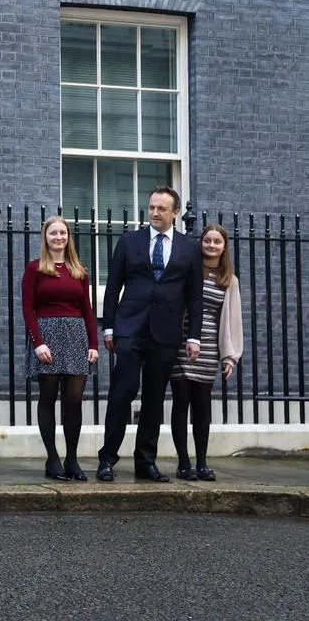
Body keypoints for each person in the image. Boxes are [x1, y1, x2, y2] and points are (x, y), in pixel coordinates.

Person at [98, 186, 203, 483]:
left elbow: (195, 296)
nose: (154, 213)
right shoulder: (129, 241)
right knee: (123, 392)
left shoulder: (189, 247)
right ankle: (107, 459)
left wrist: (194, 337)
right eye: (152, 207)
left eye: (161, 208)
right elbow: (112, 287)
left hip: (166, 332)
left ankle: (145, 461)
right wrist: (109, 326)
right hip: (130, 328)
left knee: (154, 399)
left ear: (175, 213)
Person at [21, 216, 99, 482]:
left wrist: (93, 344)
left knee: (74, 400)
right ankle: (52, 459)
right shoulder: (35, 269)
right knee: (48, 397)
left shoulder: (79, 270)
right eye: (53, 233)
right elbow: (28, 309)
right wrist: (38, 342)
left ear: (68, 237)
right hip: (47, 336)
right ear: (45, 237)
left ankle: (72, 460)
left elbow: (87, 309)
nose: (58, 237)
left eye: (63, 233)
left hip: (76, 336)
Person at [170, 224, 243, 481]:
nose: (211, 245)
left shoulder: (229, 280)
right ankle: (183, 463)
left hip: (209, 348)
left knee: (202, 407)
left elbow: (233, 320)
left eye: (217, 241)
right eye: (207, 240)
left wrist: (230, 356)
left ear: (224, 247)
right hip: (182, 343)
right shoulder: (189, 271)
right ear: (200, 244)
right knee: (181, 403)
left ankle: (202, 463)